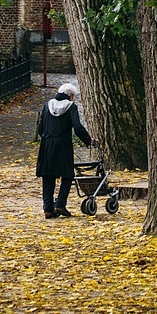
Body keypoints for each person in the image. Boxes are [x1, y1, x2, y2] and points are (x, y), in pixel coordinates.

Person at [36, 82, 97, 218]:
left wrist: (47, 138)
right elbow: (77, 127)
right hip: (63, 145)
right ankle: (60, 205)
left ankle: (48, 209)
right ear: (70, 95)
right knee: (67, 175)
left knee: (48, 176)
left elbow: (40, 128)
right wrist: (89, 140)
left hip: (47, 145)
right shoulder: (71, 107)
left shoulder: (48, 105)